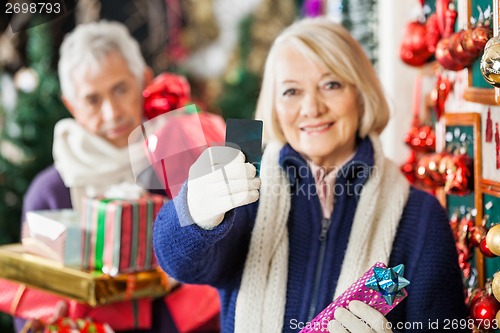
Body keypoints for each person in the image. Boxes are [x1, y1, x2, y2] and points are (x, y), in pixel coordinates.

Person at [153, 17, 468, 333]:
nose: (311, 108)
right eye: (291, 91)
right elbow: (179, 262)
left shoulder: (420, 217)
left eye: (331, 85)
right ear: (273, 105)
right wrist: (194, 211)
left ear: (360, 93)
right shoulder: (247, 193)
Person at [17, 20, 199, 333]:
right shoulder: (50, 191)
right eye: (92, 99)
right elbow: (32, 300)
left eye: (120, 89)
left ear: (142, 80)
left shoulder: (182, 165)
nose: (112, 113)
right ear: (71, 105)